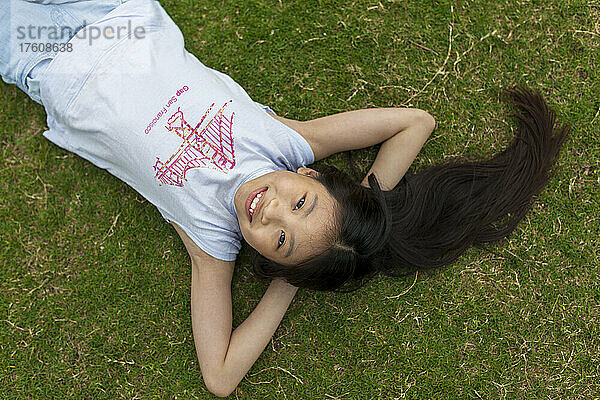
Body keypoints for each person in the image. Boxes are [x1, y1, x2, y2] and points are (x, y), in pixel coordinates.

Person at [0, 0, 569, 397]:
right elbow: (415, 124)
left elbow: (220, 376)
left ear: (266, 259)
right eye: (300, 205)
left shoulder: (211, 242)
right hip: (121, 17)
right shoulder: (287, 143)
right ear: (314, 177)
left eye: (280, 240)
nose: (271, 211)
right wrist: (368, 207)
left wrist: (285, 284)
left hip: (49, 60)